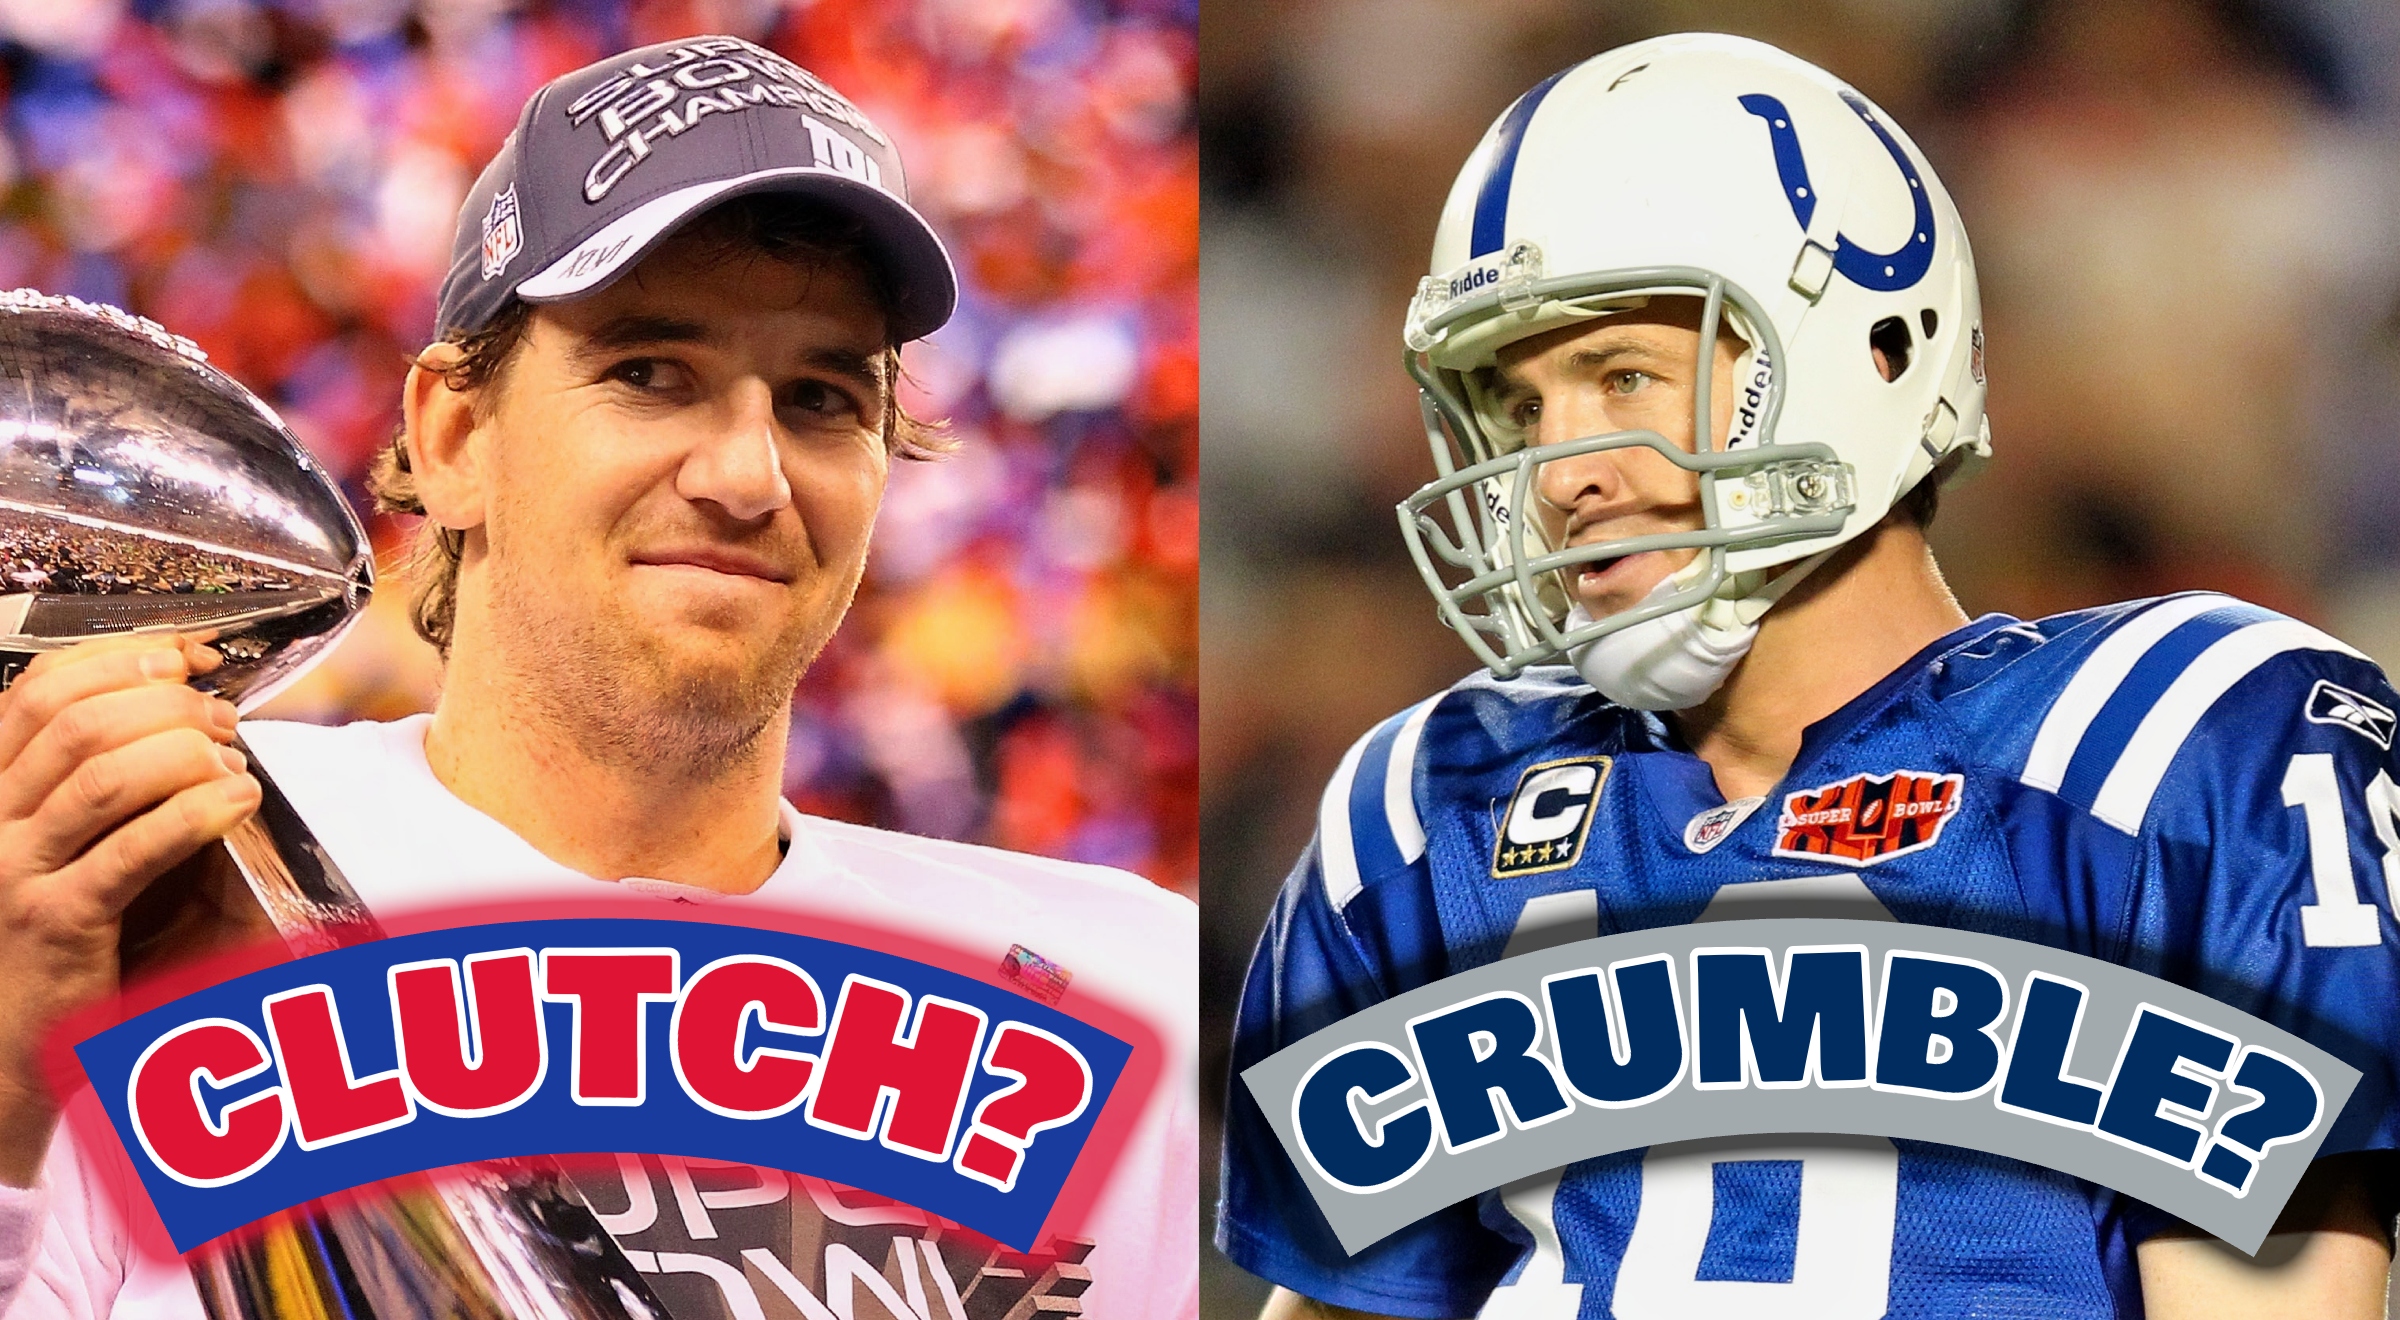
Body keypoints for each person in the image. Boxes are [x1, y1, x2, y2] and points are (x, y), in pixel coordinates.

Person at [0, 36, 1196, 1320]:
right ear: (454, 438)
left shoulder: (1132, 987)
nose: (748, 477)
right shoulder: (150, 858)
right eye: (649, 374)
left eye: (819, 400)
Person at [1218, 32, 2399, 1320]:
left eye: (1622, 378)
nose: (1560, 475)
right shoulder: (1425, 810)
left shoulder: (2171, 745)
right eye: (1518, 408)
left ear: (1872, 353)